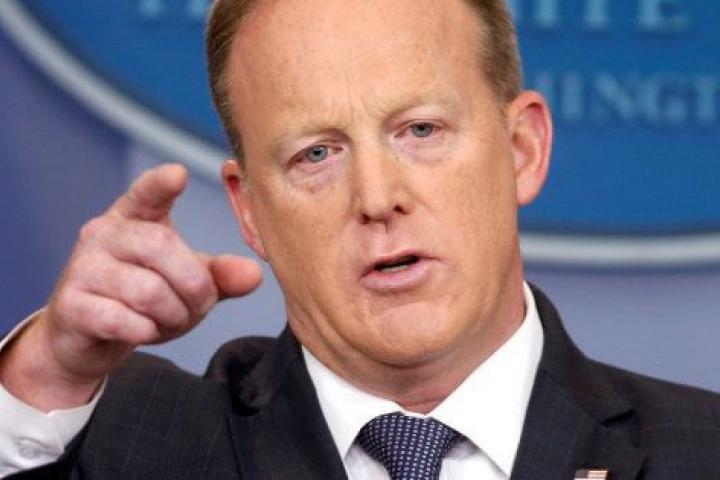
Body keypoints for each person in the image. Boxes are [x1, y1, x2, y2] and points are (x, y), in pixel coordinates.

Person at [1, 0, 719, 478]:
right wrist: (48, 373)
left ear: (522, 150)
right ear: (250, 211)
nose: (377, 199)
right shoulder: (123, 442)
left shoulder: (702, 451)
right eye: (316, 154)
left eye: (421, 130)